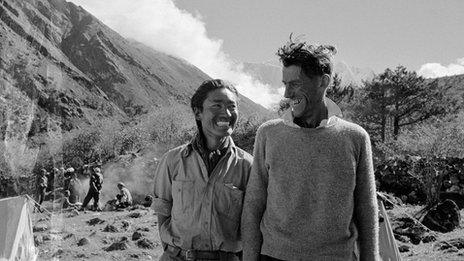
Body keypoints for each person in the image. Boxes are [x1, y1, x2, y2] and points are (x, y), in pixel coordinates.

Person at [241, 37, 379, 261]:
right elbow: (254, 203)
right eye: (284, 84)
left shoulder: (355, 137)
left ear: (323, 82)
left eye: (294, 83)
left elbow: (366, 206)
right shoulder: (269, 134)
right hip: (275, 257)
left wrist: (371, 257)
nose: (286, 94)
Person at [153, 79, 253, 261]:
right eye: (217, 105)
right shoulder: (172, 160)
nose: (227, 113)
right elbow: (163, 212)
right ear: (198, 113)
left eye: (232, 106)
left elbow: (251, 225)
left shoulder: (247, 166)